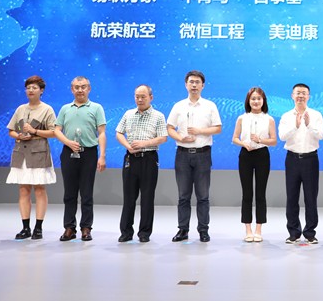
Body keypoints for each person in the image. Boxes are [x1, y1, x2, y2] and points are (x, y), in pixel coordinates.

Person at [167, 70, 222, 243]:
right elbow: (169, 128)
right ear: (186, 85)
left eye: (197, 82)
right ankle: (182, 230)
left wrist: (200, 131)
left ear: (203, 85)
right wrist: (180, 137)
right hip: (182, 154)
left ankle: (203, 230)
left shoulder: (210, 106)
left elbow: (218, 128)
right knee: (183, 196)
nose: (194, 85)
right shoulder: (178, 106)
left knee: (203, 196)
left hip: (202, 154)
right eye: (191, 82)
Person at [53, 76, 107, 242]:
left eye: (83, 87)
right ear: (72, 89)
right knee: (69, 193)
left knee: (86, 192)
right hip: (68, 152)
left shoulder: (96, 108)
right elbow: (57, 130)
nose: (80, 90)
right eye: (77, 87)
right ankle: (69, 227)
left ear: (89, 89)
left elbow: (101, 133)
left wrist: (102, 156)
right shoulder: (65, 109)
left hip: (88, 153)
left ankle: (86, 227)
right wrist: (68, 142)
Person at [5, 75, 57, 240]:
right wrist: (19, 135)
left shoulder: (47, 109)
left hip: (38, 152)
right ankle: (25, 227)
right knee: (23, 189)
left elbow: (54, 132)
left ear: (41, 91)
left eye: (34, 88)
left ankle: (38, 228)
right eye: (28, 88)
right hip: (21, 152)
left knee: (39, 189)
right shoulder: (21, 109)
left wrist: (34, 131)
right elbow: (11, 131)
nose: (30, 90)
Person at [115, 84, 168, 243]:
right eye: (137, 96)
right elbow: (119, 133)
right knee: (128, 197)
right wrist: (128, 146)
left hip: (149, 159)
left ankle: (144, 233)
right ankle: (126, 232)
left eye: (143, 96)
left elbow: (163, 137)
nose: (139, 99)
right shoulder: (128, 114)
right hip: (131, 159)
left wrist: (144, 143)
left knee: (147, 197)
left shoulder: (158, 116)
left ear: (151, 97)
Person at [278, 83, 323, 245]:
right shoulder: (286, 116)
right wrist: (296, 126)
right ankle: (293, 232)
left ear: (308, 96)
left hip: (311, 159)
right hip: (292, 159)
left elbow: (321, 135)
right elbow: (282, 136)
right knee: (292, 197)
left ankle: (310, 233)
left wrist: (309, 124)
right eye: (298, 93)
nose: (301, 96)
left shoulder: (316, 115)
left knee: (311, 197)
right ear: (292, 96)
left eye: (304, 93)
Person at [231, 86, 277, 242]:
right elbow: (234, 138)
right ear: (248, 101)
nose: (256, 101)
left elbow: (273, 141)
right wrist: (244, 144)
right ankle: (248, 229)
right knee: (247, 193)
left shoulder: (269, 119)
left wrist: (260, 140)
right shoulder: (242, 118)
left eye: (259, 98)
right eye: (253, 99)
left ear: (263, 101)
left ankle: (258, 229)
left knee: (260, 193)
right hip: (246, 155)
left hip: (262, 155)